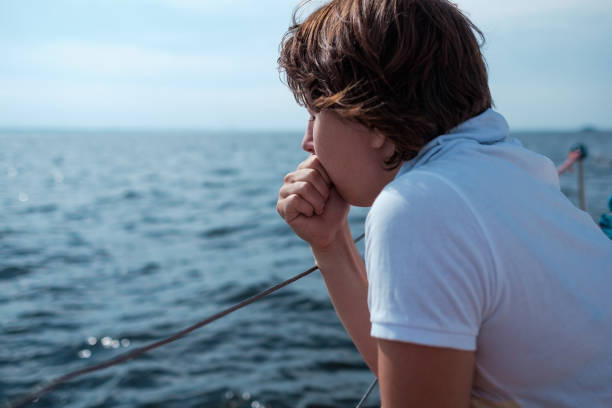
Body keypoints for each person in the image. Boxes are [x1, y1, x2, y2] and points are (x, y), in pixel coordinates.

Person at [275, 0, 612, 406]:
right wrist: (329, 244)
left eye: (315, 114)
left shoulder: (420, 205)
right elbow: (418, 374)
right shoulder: (518, 170)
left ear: (371, 118)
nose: (307, 141)